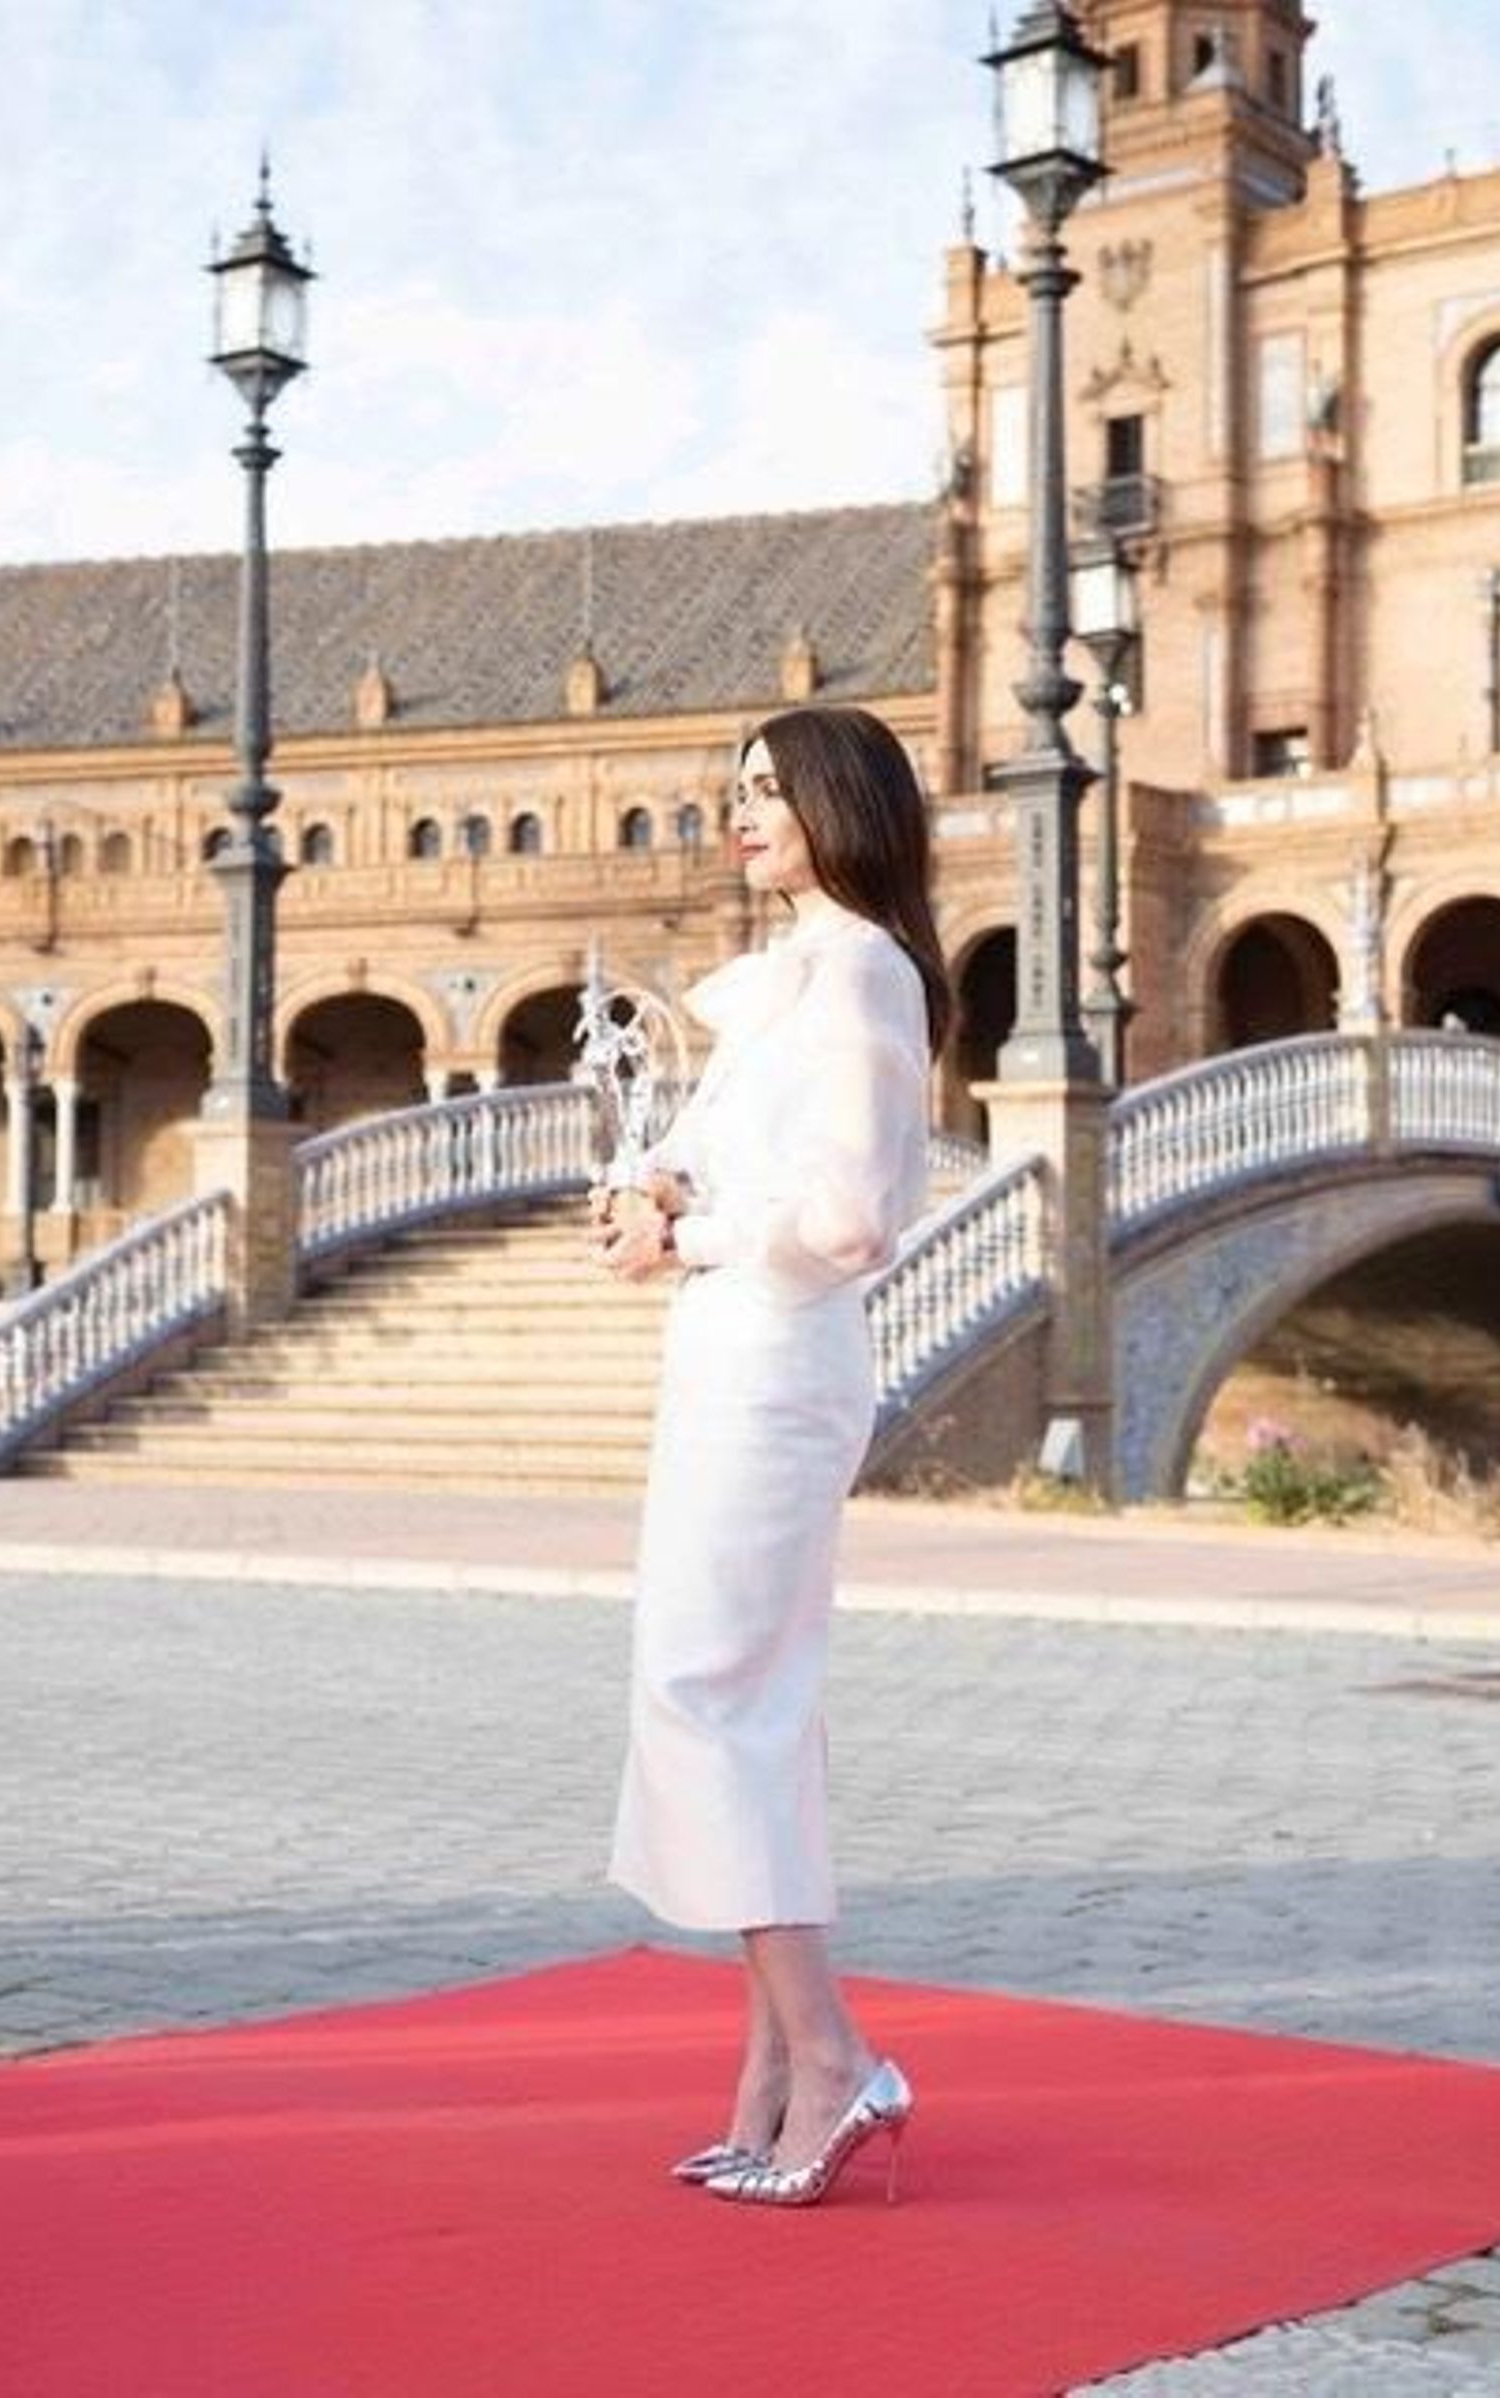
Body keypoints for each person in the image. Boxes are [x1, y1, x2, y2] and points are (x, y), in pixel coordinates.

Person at [592, 704, 950, 2209]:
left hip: (775, 1365)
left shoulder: (859, 968)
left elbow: (853, 1218)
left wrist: (691, 1236)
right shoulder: (789, 979)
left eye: (768, 790)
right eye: (734, 789)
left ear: (839, 803)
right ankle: (767, 2079)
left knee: (709, 1692)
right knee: (757, 1706)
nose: (741, 813)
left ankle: (833, 2055)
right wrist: (657, 1195)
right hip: (731, 1358)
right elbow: (735, 1165)